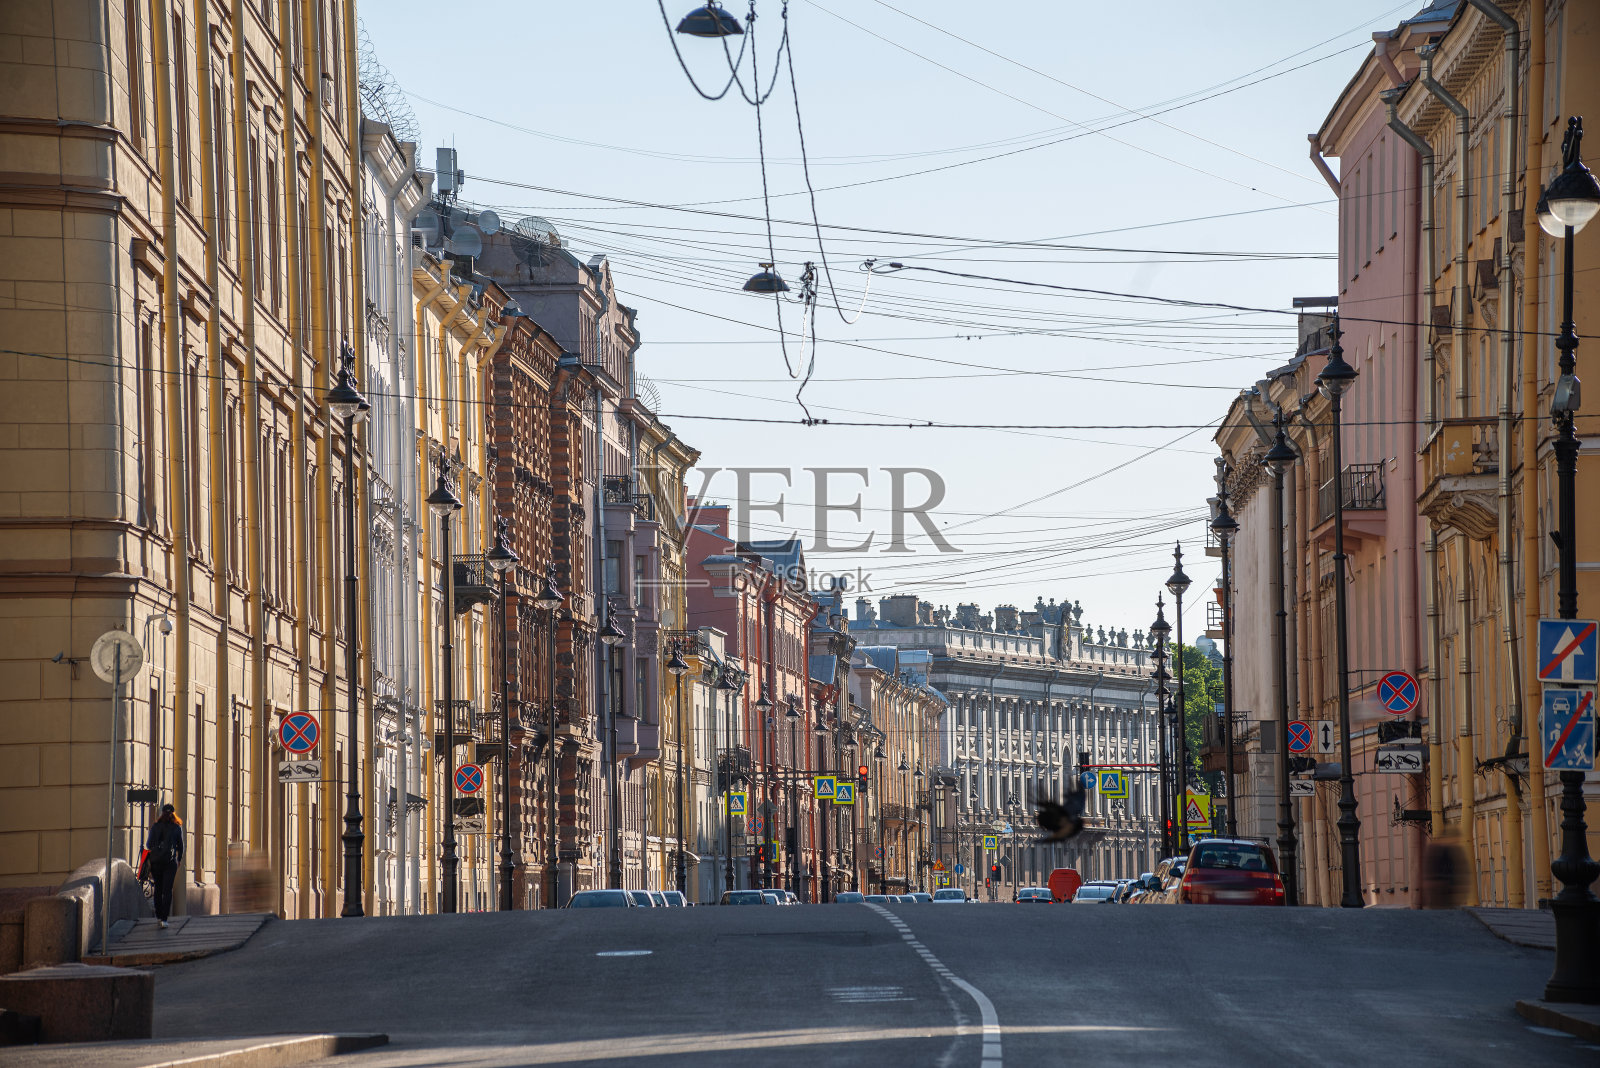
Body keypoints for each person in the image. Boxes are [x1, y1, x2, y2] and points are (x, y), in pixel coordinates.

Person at [144, 804, 184, 928]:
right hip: (169, 862)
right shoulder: (177, 828)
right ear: (174, 814)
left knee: (158, 889)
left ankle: (158, 915)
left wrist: (157, 851)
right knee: (167, 891)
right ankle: (164, 919)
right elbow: (180, 846)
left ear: (162, 813)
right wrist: (179, 859)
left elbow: (149, 844)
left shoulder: (155, 827)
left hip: (156, 862)